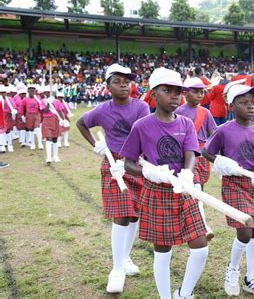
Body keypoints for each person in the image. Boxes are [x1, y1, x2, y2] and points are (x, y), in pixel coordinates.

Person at [120, 68, 208, 299]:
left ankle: (184, 294)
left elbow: (191, 152)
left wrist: (188, 174)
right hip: (157, 192)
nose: (174, 96)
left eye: (177, 91)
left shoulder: (186, 124)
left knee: (200, 246)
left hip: (183, 189)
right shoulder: (142, 125)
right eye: (167, 91)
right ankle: (165, 296)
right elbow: (128, 162)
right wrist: (147, 172)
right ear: (153, 94)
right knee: (163, 251)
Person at [76, 63, 149, 294]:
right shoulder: (102, 110)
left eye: (127, 81)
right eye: (117, 81)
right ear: (107, 86)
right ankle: (117, 269)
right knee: (121, 214)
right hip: (112, 163)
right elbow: (80, 123)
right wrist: (96, 144)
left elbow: (147, 134)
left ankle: (125, 258)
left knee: (134, 214)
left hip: (135, 163)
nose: (123, 85)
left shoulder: (141, 106)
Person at [202, 84, 254, 298]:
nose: (250, 107)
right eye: (244, 103)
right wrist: (220, 161)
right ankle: (232, 268)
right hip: (234, 184)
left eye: (253, 103)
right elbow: (206, 152)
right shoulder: (224, 130)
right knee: (244, 230)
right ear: (232, 106)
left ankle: (251, 277)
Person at [176, 77, 218, 240]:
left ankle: (192, 218)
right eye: (195, 91)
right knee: (196, 187)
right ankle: (203, 225)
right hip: (186, 155)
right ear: (185, 93)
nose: (199, 95)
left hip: (201, 155)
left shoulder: (205, 112)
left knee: (198, 188)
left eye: (201, 92)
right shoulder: (178, 112)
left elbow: (213, 133)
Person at [40, 89, 65, 163]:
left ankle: (55, 156)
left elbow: (60, 111)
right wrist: (48, 103)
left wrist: (63, 120)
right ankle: (48, 157)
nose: (47, 93)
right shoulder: (43, 101)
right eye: (46, 92)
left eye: (49, 92)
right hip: (47, 120)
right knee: (48, 138)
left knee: (55, 139)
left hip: (55, 120)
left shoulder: (57, 101)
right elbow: (45, 111)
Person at [22, 85, 43, 150]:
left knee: (37, 128)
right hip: (29, 115)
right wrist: (23, 116)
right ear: (28, 91)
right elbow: (24, 108)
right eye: (30, 91)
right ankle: (32, 144)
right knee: (31, 129)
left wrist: (40, 115)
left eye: (33, 91)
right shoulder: (25, 99)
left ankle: (40, 144)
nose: (31, 92)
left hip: (36, 114)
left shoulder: (38, 98)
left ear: (35, 91)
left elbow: (41, 107)